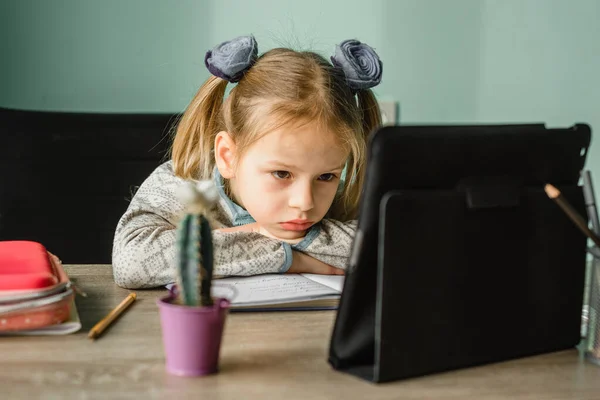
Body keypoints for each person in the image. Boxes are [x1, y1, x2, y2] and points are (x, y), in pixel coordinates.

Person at [112, 35, 383, 288]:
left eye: (326, 176)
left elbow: (392, 246)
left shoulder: (345, 196)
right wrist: (287, 259)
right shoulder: (181, 184)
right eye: (281, 173)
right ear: (228, 156)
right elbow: (132, 261)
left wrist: (253, 237)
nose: (305, 202)